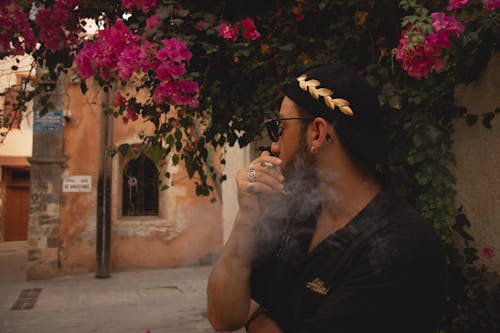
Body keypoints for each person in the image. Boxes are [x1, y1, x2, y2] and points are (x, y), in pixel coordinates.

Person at [207, 63, 447, 333]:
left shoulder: (401, 246)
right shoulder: (296, 213)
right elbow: (222, 317)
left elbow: (244, 312)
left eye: (280, 129)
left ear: (318, 134)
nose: (274, 146)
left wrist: (257, 318)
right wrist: (247, 216)